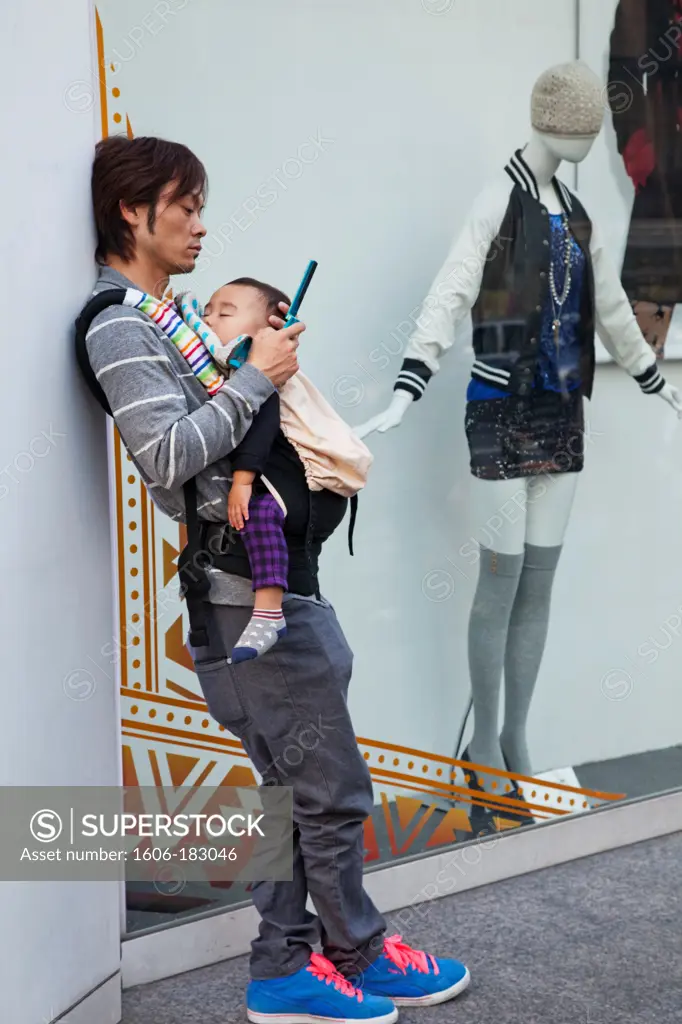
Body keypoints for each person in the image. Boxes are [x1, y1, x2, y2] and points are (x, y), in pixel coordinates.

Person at [85, 134, 470, 1023]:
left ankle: (287, 968)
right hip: (246, 599)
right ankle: (356, 955)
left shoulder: (164, 316)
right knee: (330, 792)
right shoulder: (118, 325)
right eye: (183, 206)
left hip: (255, 591)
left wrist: (261, 375)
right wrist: (257, 376)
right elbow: (170, 455)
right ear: (132, 212)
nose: (199, 225)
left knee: (292, 795)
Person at [171, 276, 373, 665]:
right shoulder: (231, 368)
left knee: (258, 513)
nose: (210, 319)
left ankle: (267, 613)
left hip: (316, 491)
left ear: (269, 330)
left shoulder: (259, 371)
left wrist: (243, 482)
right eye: (208, 310)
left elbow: (262, 422)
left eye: (225, 313)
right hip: (294, 487)